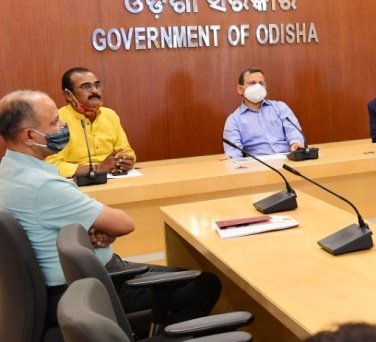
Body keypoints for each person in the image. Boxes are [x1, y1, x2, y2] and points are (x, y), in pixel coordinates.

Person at [0, 90, 221, 328]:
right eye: (55, 122)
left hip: (52, 291)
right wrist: (98, 229)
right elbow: (123, 223)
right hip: (86, 287)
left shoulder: (9, 171)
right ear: (30, 136)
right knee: (203, 285)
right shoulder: (43, 185)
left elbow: (43, 224)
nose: (63, 124)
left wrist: (86, 234)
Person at [46, 67, 135, 178]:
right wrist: (98, 168)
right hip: (76, 181)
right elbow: (51, 164)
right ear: (68, 95)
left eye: (97, 85)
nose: (94, 91)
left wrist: (126, 160)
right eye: (86, 86)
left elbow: (125, 150)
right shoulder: (57, 120)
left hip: (114, 175)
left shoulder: (110, 115)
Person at [223, 67, 306, 159]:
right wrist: (231, 157)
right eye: (252, 83)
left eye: (261, 83)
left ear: (265, 87)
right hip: (258, 163)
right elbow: (233, 151)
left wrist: (295, 143)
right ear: (240, 89)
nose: (257, 87)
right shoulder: (233, 120)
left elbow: (293, 130)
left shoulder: (280, 107)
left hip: (288, 158)